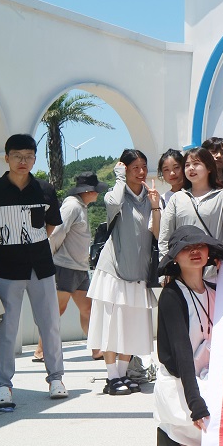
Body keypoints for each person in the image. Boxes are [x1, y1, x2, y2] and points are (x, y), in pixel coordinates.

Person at [0, 133, 68, 405]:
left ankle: (56, 378)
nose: (22, 161)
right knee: (6, 329)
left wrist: (32, 243)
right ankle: (3, 385)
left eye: (28, 156)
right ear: (7, 158)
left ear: (35, 159)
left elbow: (51, 224)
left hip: (41, 268)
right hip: (5, 269)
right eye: (17, 156)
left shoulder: (45, 190)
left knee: (50, 324)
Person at [87, 149, 161, 396]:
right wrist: (119, 177)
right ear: (125, 169)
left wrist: (155, 206)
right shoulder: (116, 194)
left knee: (132, 327)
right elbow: (112, 204)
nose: (141, 172)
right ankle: (112, 378)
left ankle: (123, 374)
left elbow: (158, 233)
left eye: (144, 166)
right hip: (114, 272)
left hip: (139, 273)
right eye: (134, 168)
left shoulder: (150, 198)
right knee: (111, 327)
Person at [153, 226, 223, 446]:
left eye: (200, 246)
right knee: (217, 425)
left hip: (211, 376)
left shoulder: (216, 291)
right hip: (182, 381)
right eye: (186, 248)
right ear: (175, 257)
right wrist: (195, 403)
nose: (195, 251)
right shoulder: (171, 295)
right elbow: (181, 353)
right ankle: (174, 433)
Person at [33, 171, 107, 363]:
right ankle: (41, 350)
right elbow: (57, 232)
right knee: (57, 309)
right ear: (88, 191)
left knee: (88, 309)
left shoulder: (81, 207)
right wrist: (49, 256)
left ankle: (96, 349)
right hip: (64, 266)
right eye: (95, 190)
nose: (97, 193)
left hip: (79, 268)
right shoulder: (72, 206)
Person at [159, 147, 223, 261]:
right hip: (184, 268)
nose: (191, 168)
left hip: (214, 268)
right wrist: (167, 265)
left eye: (196, 163)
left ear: (209, 168)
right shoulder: (177, 198)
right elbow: (164, 238)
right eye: (187, 165)